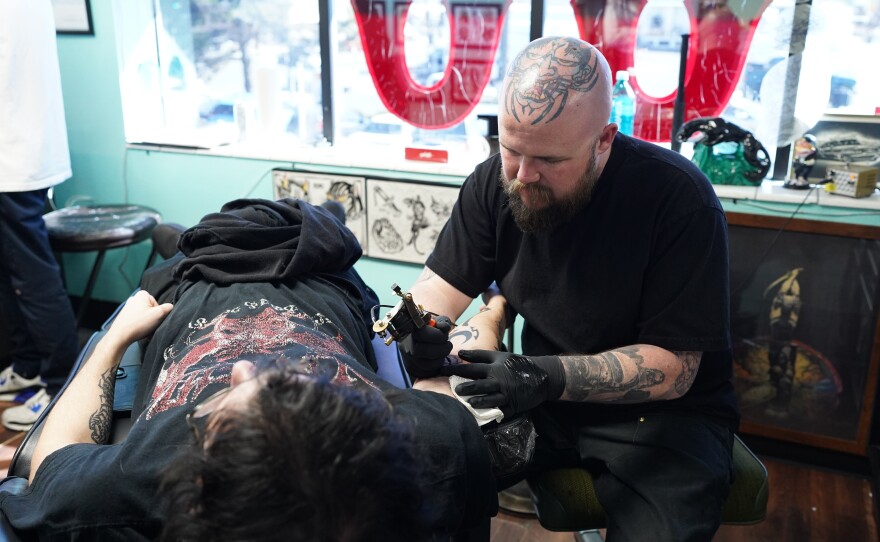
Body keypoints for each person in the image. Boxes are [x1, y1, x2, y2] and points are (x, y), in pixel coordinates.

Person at [0, 198, 516, 541]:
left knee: (216, 229)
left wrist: (113, 338)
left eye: (216, 416)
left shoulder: (137, 473)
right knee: (316, 222)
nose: (249, 369)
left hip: (191, 281)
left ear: (199, 492)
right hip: (327, 277)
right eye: (301, 387)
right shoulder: (430, 443)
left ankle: (183, 242)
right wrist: (434, 359)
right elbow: (442, 402)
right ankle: (320, 213)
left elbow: (52, 464)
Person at [400, 36, 739, 542]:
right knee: (422, 483)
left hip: (664, 418)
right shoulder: (495, 181)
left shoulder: (679, 199)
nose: (522, 176)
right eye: (511, 151)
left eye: (549, 161)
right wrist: (419, 328)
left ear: (604, 139)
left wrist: (541, 376)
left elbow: (674, 371)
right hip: (543, 403)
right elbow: (438, 289)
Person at [0, 0, 80, 431]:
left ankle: (58, 387)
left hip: (11, 157)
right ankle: (28, 366)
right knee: (13, 274)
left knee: (32, 277)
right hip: (23, 148)